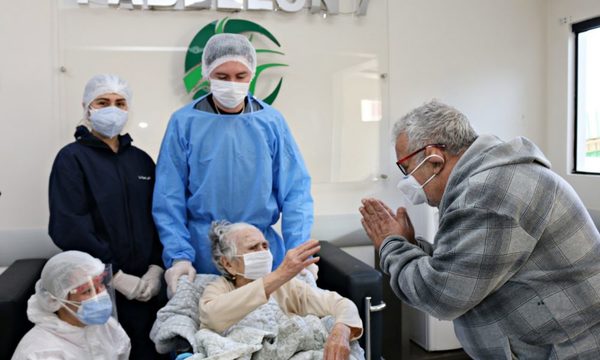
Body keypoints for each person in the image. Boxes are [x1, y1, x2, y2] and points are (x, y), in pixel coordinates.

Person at [359, 100, 600, 359]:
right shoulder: (484, 181)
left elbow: (440, 295)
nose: (407, 182)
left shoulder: (488, 194)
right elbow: (461, 262)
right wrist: (409, 246)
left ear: (434, 159)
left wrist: (391, 244)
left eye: (406, 169)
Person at [153, 33, 314, 295]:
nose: (232, 84)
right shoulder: (184, 123)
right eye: (222, 77)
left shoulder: (271, 122)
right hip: (203, 253)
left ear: (252, 75)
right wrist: (179, 256)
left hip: (259, 249)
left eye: (240, 77)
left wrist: (299, 253)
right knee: (208, 325)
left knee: (265, 327)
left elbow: (296, 192)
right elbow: (168, 198)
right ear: (207, 75)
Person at [48, 74, 166, 359]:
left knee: (151, 350)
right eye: (103, 102)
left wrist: (156, 266)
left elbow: (159, 215)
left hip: (147, 287)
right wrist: (114, 274)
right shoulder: (72, 159)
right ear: (88, 107)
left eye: (119, 102)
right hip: (100, 289)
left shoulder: (141, 160)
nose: (112, 109)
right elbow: (69, 225)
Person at [199, 221, 362, 360]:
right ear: (228, 264)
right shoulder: (218, 288)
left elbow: (342, 304)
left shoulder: (287, 286)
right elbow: (212, 317)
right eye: (253, 248)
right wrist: (280, 274)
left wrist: (341, 331)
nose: (263, 252)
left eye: (265, 246)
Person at [11, 251, 130, 360]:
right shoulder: (40, 353)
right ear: (57, 300)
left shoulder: (107, 326)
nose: (100, 294)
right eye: (87, 291)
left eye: (100, 285)